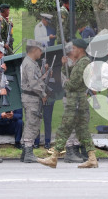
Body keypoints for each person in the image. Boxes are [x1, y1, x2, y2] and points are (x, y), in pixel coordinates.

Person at [37, 38, 98, 169]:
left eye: (74, 48)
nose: (72, 51)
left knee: (64, 129)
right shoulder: (80, 62)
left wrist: (66, 83)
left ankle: (53, 158)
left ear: (80, 49)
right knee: (82, 130)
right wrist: (66, 68)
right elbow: (73, 76)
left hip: (75, 100)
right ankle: (92, 158)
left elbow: (73, 84)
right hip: (77, 100)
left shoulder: (83, 63)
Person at [20, 40, 48, 163]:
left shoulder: (31, 63)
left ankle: (25, 152)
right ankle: (28, 152)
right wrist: (43, 93)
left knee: (31, 123)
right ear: (34, 50)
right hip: (32, 98)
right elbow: (33, 84)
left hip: (31, 97)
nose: (41, 53)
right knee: (32, 124)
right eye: (40, 50)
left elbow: (35, 80)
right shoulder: (30, 64)